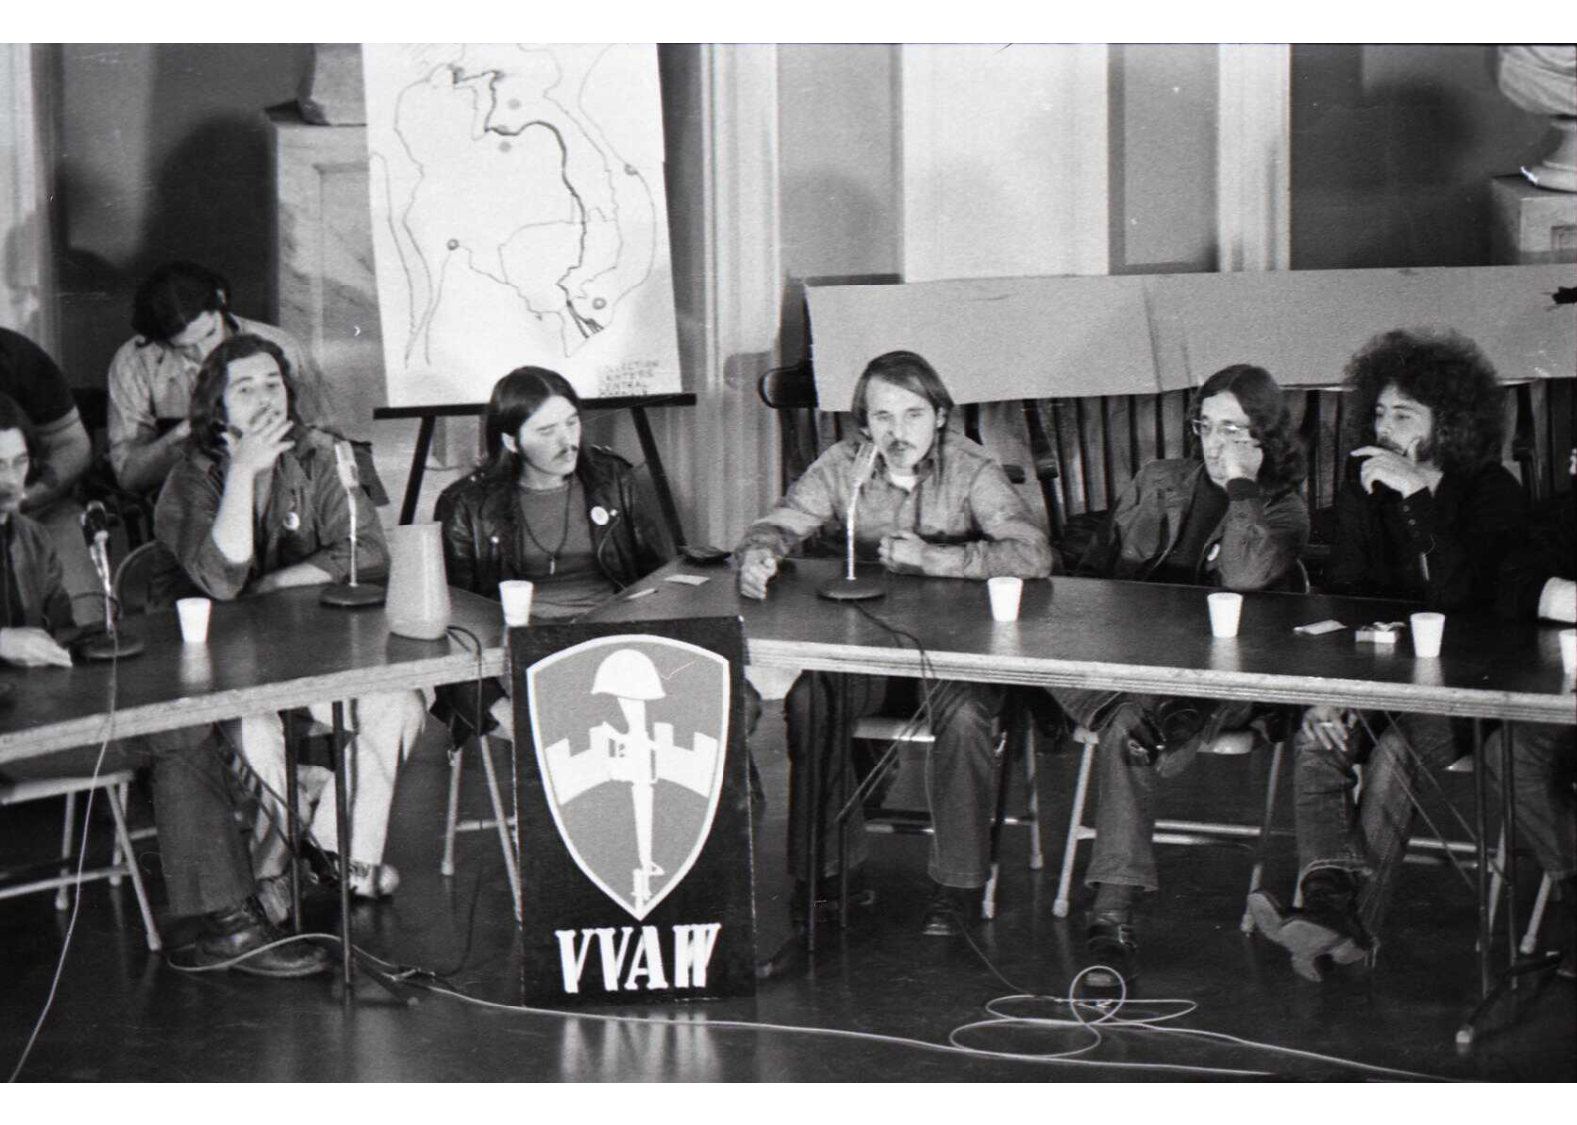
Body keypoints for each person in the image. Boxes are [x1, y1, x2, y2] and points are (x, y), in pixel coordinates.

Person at [0, 391, 328, 977]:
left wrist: (93, 642)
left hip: (42, 727)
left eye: (18, 464)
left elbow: (59, 638)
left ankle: (230, 921)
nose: (9, 481)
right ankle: (240, 903)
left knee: (178, 725)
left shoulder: (28, 536)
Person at [736, 350, 1052, 943]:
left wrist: (938, 559)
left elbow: (1032, 553)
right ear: (864, 422)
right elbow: (778, 521)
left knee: (963, 717)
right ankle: (826, 876)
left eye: (911, 415)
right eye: (882, 417)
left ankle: (958, 886)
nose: (897, 433)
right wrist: (761, 552)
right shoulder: (845, 466)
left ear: (938, 416)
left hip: (953, 655)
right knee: (812, 699)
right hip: (871, 656)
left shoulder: (972, 468)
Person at [1249, 328, 1529, 982]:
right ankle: (1328, 910)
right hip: (1378, 673)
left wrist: (1417, 498)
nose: (1383, 425)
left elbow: (1469, 602)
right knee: (1320, 731)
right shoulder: (1361, 484)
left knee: (1397, 752)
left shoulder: (1490, 491)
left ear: (1449, 422)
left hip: (1466, 683)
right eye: (1377, 412)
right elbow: (1344, 594)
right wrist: (1331, 687)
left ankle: (1349, 934)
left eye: (1403, 413)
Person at [1045, 364, 1309, 986]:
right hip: (1128, 659)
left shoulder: (1284, 507)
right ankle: (1149, 718)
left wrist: (1241, 487)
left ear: (1264, 437)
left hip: (1220, 672)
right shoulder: (1158, 479)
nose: (1216, 443)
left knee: (1134, 725)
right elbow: (1095, 573)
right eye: (1207, 426)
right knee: (1078, 684)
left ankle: (1112, 912)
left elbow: (1244, 574)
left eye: (1235, 430)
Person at [153, 334, 427, 910]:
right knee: (256, 730)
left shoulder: (320, 452)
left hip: (309, 657)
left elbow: (368, 552)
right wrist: (244, 473)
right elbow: (224, 581)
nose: (264, 399)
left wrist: (277, 581)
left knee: (399, 703)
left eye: (273, 384)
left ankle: (334, 856)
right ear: (217, 409)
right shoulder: (189, 477)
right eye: (245, 389)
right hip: (220, 671)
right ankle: (274, 870)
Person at [433, 366, 673, 743]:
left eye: (572, 423)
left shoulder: (612, 480)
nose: (568, 442)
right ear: (511, 442)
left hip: (612, 638)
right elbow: (454, 619)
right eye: (547, 431)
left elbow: (657, 577)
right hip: (520, 649)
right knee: (575, 726)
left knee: (726, 704)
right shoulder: (466, 504)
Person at [107, 262, 341, 495]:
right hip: (183, 498)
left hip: (283, 493)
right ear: (158, 341)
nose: (205, 354)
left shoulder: (282, 347)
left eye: (210, 334)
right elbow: (129, 476)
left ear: (220, 299)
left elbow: (330, 444)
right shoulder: (135, 362)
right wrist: (183, 435)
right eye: (185, 348)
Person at [1488, 447, 1575, 978]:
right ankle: (1574, 888)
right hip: (1565, 701)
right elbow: (1514, 588)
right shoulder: (1560, 517)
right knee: (1509, 749)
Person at [0, 327, 97, 624]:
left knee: (82, 609)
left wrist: (26, 497)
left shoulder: (16, 354)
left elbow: (74, 445)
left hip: (34, 503)